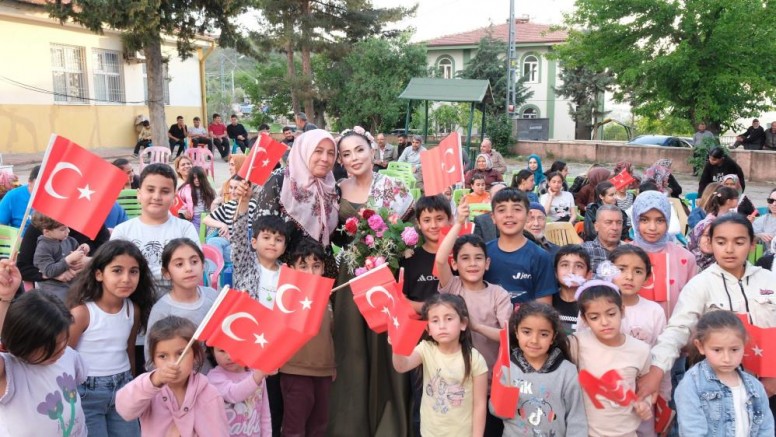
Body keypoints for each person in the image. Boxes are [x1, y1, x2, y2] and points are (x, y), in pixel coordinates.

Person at [638, 214, 776, 417]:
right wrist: (657, 370)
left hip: (769, 389)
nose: (729, 250)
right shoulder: (700, 284)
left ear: (752, 244)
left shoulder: (769, 280)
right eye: (721, 242)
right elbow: (677, 330)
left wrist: (773, 379)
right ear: (710, 243)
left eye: (739, 242)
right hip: (717, 392)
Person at [327, 130, 414, 437]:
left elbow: (409, 229)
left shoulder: (391, 186)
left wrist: (392, 245)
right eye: (346, 154)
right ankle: (350, 423)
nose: (354, 158)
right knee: (351, 346)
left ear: (372, 150)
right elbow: (334, 234)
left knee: (384, 344)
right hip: (350, 275)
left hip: (385, 274)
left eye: (359, 150)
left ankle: (390, 421)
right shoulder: (336, 189)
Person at [66, 240, 155, 436]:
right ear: (99, 274)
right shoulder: (82, 313)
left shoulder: (134, 309)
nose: (126, 278)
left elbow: (129, 350)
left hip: (123, 389)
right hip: (86, 393)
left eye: (133, 271)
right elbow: (64, 358)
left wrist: (132, 386)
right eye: (117, 270)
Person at [437, 203, 512, 434]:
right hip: (454, 382)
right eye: (465, 258)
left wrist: (474, 326)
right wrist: (458, 222)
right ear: (455, 264)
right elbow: (440, 260)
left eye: (478, 258)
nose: (472, 264)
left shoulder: (498, 293)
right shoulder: (452, 286)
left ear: (487, 264)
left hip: (490, 382)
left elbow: (506, 336)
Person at [241, 129, 339, 276]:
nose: (325, 158)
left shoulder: (332, 187)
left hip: (321, 272)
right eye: (318, 151)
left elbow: (337, 236)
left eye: (331, 153)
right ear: (304, 150)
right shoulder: (280, 181)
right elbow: (262, 230)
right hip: (284, 273)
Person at [0, 278, 89, 437]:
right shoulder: (9, 371)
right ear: (23, 341)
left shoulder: (69, 356)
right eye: (50, 346)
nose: (61, 349)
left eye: (63, 340)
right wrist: (4, 298)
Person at [391, 294, 489, 437]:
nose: (442, 326)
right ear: (428, 329)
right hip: (430, 433)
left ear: (463, 323)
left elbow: (480, 405)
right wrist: (397, 345)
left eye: (449, 319)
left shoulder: (475, 359)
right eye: (435, 320)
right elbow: (401, 366)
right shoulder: (425, 349)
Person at [115, 316, 229, 436]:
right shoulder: (148, 390)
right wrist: (154, 380)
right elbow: (125, 410)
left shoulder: (210, 394)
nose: (173, 363)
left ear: (195, 356)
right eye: (163, 356)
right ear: (153, 360)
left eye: (180, 354)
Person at [569, 280, 653, 436]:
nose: (605, 322)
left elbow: (645, 386)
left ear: (622, 311)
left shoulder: (640, 350)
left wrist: (644, 404)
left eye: (611, 314)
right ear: (585, 320)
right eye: (594, 317)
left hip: (626, 433)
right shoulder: (576, 343)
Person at [674, 311, 775, 436]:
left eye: (734, 350)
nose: (727, 358)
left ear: (744, 344)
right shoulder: (692, 384)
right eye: (717, 350)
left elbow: (766, 428)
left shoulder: (755, 386)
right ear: (700, 346)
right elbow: (692, 431)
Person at [608, 246, 671, 436]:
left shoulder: (654, 311)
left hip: (643, 395)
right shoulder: (595, 307)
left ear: (647, 278)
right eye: (621, 269)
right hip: (605, 395)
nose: (629, 277)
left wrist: (664, 397)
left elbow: (661, 355)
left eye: (637, 271)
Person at [499, 302, 587, 436]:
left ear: (553, 337)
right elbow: (498, 411)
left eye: (544, 334)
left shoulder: (567, 371)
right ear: (516, 332)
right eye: (526, 332)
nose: (534, 340)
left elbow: (576, 418)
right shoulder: (507, 368)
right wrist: (505, 397)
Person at [111, 163, 200, 294]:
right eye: (150, 190)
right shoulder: (122, 231)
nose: (157, 197)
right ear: (139, 194)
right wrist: (171, 271)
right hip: (134, 303)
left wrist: (137, 272)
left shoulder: (185, 229)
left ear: (174, 198)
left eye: (165, 191)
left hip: (176, 303)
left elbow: (192, 270)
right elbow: (116, 272)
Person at [279, 241, 336, 437]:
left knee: (319, 426)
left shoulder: (328, 296)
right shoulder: (286, 295)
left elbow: (329, 334)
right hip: (294, 371)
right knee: (294, 428)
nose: (310, 272)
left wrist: (332, 366)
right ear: (292, 269)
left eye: (316, 266)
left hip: (324, 372)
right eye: (303, 266)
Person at [145, 239, 218, 370]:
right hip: (179, 385)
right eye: (179, 264)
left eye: (194, 262)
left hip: (215, 383)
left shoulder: (213, 296)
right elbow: (151, 359)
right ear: (166, 273)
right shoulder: (162, 310)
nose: (189, 268)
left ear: (203, 266)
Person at [483, 188, 556, 305]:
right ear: (493, 217)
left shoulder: (541, 257)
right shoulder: (483, 253)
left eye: (517, 209)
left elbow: (544, 308)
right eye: (501, 210)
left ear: (528, 215)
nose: (509, 215)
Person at [631, 191, 697, 318]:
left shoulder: (685, 259)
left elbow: (692, 304)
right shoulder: (622, 257)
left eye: (660, 220)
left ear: (668, 221)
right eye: (644, 220)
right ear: (635, 220)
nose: (652, 227)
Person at [31, 213, 90, 301]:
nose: (68, 231)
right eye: (63, 229)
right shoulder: (43, 247)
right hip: (53, 288)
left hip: (73, 283)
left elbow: (77, 258)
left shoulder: (70, 240)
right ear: (47, 231)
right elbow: (49, 271)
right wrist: (68, 259)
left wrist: (82, 250)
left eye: (68, 227)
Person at [232, 214, 287, 306]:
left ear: (284, 248)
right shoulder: (245, 264)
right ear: (254, 243)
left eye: (278, 240)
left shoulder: (287, 273)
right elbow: (239, 238)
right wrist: (244, 203)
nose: (272, 243)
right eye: (266, 238)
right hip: (247, 319)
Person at [552, 245, 591, 335]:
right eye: (565, 265)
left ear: (588, 275)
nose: (571, 271)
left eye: (579, 266)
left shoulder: (591, 303)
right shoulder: (548, 300)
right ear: (556, 273)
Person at [581, 205, 624, 272]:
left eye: (619, 223)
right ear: (596, 226)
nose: (615, 228)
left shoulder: (629, 252)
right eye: (608, 222)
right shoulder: (585, 251)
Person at [177, 166, 216, 230]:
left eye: (199, 178)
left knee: (209, 237)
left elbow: (214, 201)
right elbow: (177, 203)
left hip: (208, 217)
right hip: (195, 219)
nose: (197, 180)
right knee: (195, 237)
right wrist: (182, 211)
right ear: (191, 178)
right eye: (194, 178)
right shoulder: (185, 189)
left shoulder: (208, 188)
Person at [0, 164, 38, 230]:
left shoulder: (57, 197)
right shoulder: (13, 196)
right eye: (39, 184)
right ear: (29, 182)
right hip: (21, 238)